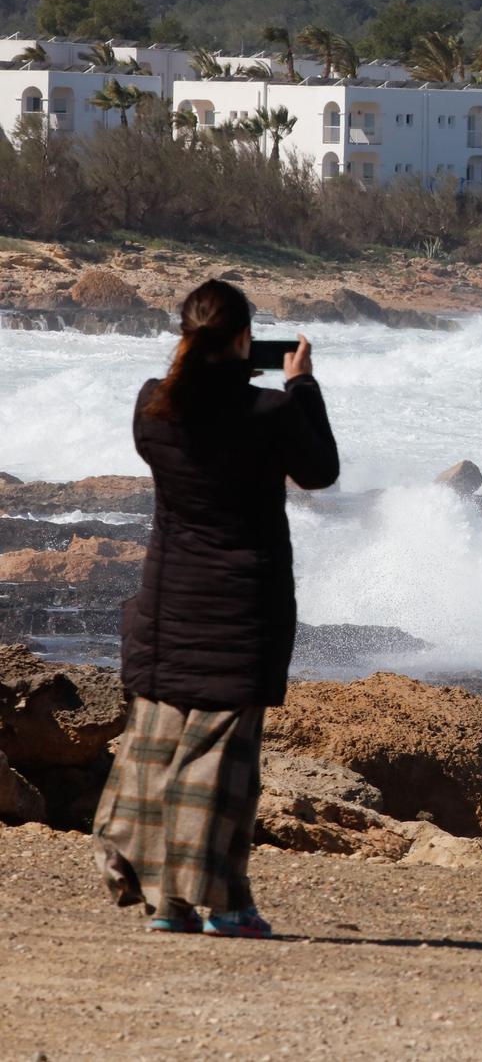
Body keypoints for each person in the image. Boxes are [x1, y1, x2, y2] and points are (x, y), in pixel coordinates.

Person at [93, 279, 338, 937]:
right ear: (242, 340)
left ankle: (166, 903)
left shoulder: (154, 408)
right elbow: (320, 471)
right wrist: (302, 384)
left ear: (184, 336)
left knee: (155, 755)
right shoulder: (270, 413)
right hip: (240, 614)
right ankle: (223, 903)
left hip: (167, 613)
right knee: (222, 771)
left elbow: (184, 409)